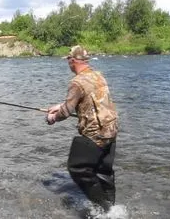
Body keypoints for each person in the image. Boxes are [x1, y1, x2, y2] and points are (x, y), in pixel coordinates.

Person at [45, 45, 118, 212]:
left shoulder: (76, 82)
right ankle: (113, 208)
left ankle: (104, 209)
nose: (68, 64)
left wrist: (52, 117)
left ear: (73, 61)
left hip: (96, 133)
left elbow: (65, 113)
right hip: (111, 129)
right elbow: (86, 99)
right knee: (103, 172)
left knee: (77, 169)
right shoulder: (97, 75)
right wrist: (60, 106)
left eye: (69, 61)